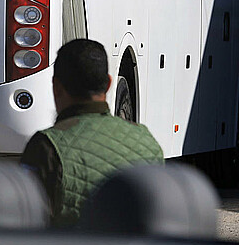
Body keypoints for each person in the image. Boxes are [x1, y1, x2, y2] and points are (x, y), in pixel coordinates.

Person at [20, 38, 164, 228]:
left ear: (56, 87)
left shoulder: (46, 147)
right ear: (108, 84)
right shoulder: (147, 142)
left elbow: (26, 228)